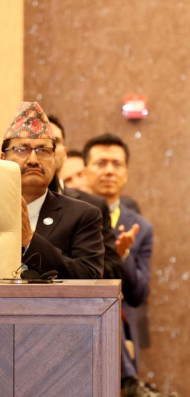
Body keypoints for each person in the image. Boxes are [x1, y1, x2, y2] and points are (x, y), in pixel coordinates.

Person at [83, 133, 155, 395]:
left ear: (126, 172)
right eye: (101, 163)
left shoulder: (141, 227)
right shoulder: (70, 214)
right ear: (86, 170)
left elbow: (139, 294)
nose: (109, 171)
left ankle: (130, 381)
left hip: (121, 324)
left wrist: (123, 256)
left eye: (117, 164)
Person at [0, 102, 103, 279]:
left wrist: (29, 240)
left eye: (43, 150)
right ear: (3, 159)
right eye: (22, 150)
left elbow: (90, 277)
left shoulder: (83, 215)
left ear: (55, 159)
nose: (33, 160)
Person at [47, 116, 123, 280]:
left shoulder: (92, 206)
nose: (48, 148)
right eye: (38, 144)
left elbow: (109, 270)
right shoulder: (7, 201)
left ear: (64, 152)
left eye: (54, 141)